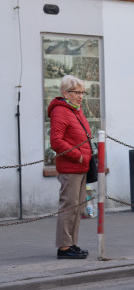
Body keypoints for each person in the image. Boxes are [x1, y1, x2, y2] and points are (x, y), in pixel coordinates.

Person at [48, 75, 92, 259]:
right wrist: (79, 156)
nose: (80, 96)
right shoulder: (60, 111)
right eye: (76, 92)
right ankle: (64, 248)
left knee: (78, 208)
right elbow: (56, 141)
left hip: (81, 168)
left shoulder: (76, 110)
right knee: (68, 207)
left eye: (82, 92)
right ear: (65, 93)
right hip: (71, 168)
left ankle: (72, 243)